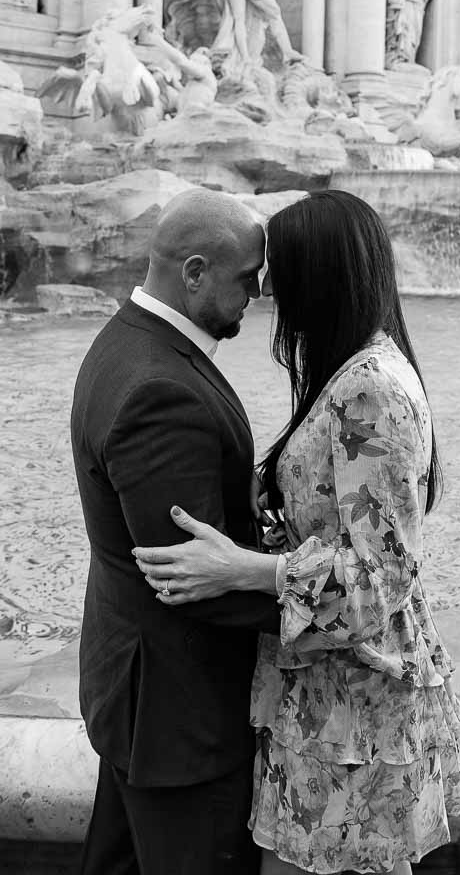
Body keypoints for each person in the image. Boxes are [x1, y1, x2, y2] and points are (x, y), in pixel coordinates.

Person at [135, 189, 460, 875]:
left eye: (278, 275)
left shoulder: (369, 390)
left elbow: (381, 578)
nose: (266, 293)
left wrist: (242, 569)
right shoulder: (356, 371)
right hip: (336, 698)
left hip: (353, 711)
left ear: (317, 277)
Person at [71, 189, 282, 875]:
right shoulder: (160, 390)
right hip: (179, 721)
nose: (258, 291)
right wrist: (325, 599)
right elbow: (193, 583)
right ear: (195, 272)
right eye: (247, 278)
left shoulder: (127, 339)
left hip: (138, 693)